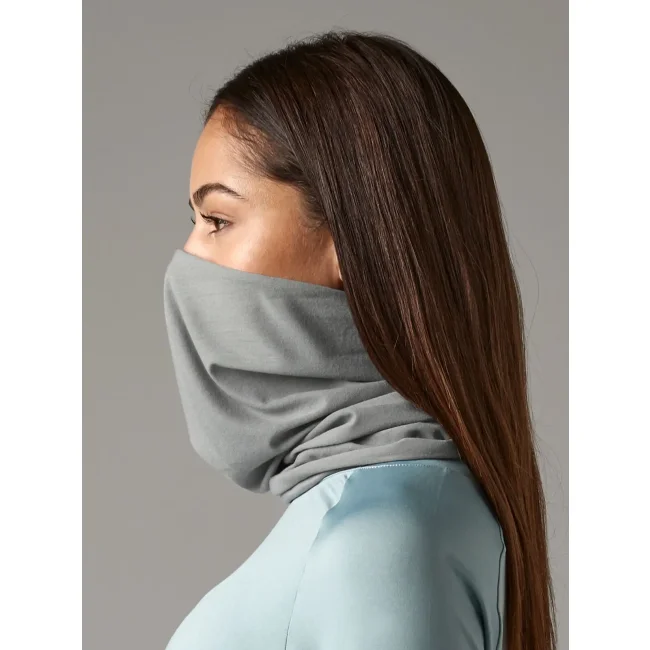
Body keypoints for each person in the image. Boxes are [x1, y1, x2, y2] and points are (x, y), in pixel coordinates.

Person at [161, 29, 557, 650]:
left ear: (349, 240)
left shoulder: (378, 541)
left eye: (218, 219)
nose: (187, 258)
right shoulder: (407, 510)